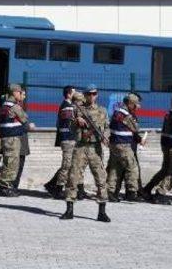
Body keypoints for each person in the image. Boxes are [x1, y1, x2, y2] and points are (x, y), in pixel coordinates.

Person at [60, 84, 110, 222]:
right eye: (89, 94)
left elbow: (107, 127)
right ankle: (69, 209)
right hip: (80, 147)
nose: (92, 96)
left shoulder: (102, 111)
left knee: (101, 179)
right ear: (85, 95)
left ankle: (102, 212)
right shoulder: (77, 109)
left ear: (97, 95)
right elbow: (68, 126)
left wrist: (105, 137)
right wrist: (77, 121)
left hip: (95, 148)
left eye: (94, 94)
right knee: (73, 178)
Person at [141, 95, 172, 202]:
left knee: (168, 169)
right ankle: (159, 192)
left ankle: (149, 188)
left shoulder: (169, 113)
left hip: (166, 144)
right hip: (171, 145)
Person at [0, 83, 33, 197]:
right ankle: (5, 187)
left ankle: (3, 186)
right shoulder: (14, 106)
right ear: (15, 93)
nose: (21, 94)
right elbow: (25, 121)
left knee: (8, 162)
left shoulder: (3, 106)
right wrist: (29, 126)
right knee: (12, 163)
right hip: (12, 138)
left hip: (6, 138)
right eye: (20, 92)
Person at [106, 93, 143, 202]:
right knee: (132, 167)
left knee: (114, 169)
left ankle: (110, 192)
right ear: (130, 104)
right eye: (135, 105)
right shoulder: (127, 115)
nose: (136, 107)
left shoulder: (117, 111)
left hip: (114, 144)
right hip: (124, 145)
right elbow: (136, 128)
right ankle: (132, 192)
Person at [45, 85, 77, 199]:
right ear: (69, 94)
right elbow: (71, 123)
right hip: (68, 139)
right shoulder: (68, 107)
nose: (77, 94)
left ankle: (51, 185)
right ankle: (57, 189)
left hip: (68, 138)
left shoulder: (67, 106)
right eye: (74, 92)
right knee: (67, 165)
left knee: (68, 165)